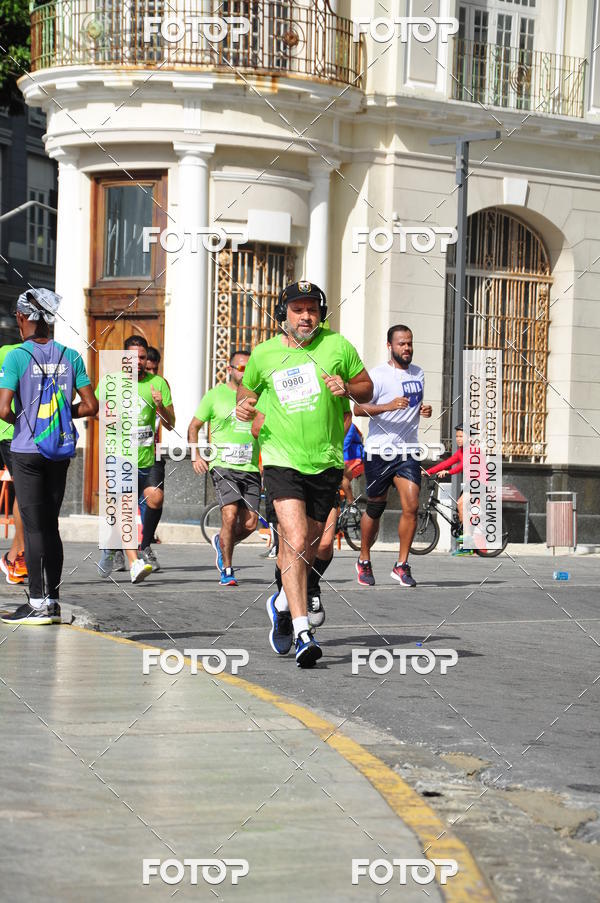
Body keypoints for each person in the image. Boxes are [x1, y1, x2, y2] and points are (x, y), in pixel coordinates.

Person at [237, 280, 373, 668]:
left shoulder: (337, 346)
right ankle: (302, 632)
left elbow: (366, 388)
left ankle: (281, 602)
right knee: (295, 539)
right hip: (281, 459)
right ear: (283, 315)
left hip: (327, 461)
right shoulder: (264, 355)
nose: (305, 315)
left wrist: (346, 386)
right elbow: (244, 395)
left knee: (312, 545)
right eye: (297, 309)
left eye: (312, 308)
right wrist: (246, 411)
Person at [0, 288, 98, 625]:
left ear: (22, 318)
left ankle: (38, 602)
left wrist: (25, 422)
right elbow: (91, 405)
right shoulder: (70, 356)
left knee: (33, 526)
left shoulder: (16, 356)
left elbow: (2, 409)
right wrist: (59, 417)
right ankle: (52, 601)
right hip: (59, 450)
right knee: (51, 526)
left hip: (27, 451)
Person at [354, 324, 431, 588]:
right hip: (379, 450)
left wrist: (422, 409)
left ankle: (401, 565)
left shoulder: (419, 373)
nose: (407, 348)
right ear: (390, 346)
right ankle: (364, 559)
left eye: (409, 343)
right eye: (401, 344)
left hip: (407, 450)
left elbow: (411, 403)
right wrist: (388, 406)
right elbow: (358, 409)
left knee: (411, 505)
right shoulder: (377, 375)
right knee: (375, 507)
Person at [97, 335, 175, 581]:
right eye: (132, 357)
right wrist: (111, 418)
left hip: (147, 456)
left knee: (155, 497)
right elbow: (95, 409)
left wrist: (160, 406)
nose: (137, 362)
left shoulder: (158, 383)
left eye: (141, 357)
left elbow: (171, 424)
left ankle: (124, 546)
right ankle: (134, 563)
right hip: (119, 455)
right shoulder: (111, 382)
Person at [188, 350, 260, 586]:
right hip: (223, 466)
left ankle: (221, 542)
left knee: (250, 524)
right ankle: (227, 569)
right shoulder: (215, 395)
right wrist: (195, 455)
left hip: (250, 466)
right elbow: (194, 426)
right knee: (229, 516)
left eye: (248, 368)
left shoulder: (258, 396)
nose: (245, 372)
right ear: (230, 369)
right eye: (240, 368)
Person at [0, 340, 27, 585]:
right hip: (11, 434)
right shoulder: (7, 353)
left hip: (39, 435)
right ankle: (17, 556)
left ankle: (15, 555)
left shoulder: (57, 353)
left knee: (30, 494)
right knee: (26, 493)